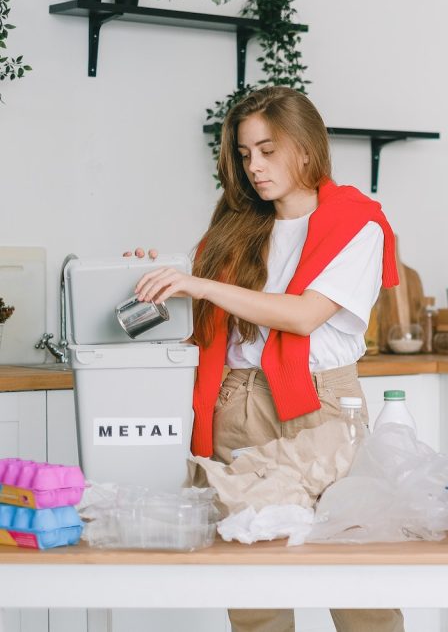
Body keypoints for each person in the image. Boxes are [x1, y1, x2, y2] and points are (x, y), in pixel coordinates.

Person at [132, 86, 404, 632]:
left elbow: (304, 315)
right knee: (252, 583)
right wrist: (159, 280)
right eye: (243, 153)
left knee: (353, 574)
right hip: (236, 401)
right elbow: (204, 321)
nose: (254, 166)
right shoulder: (234, 228)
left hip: (321, 407)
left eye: (267, 149)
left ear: (305, 147)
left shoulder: (357, 224)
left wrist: (201, 285)